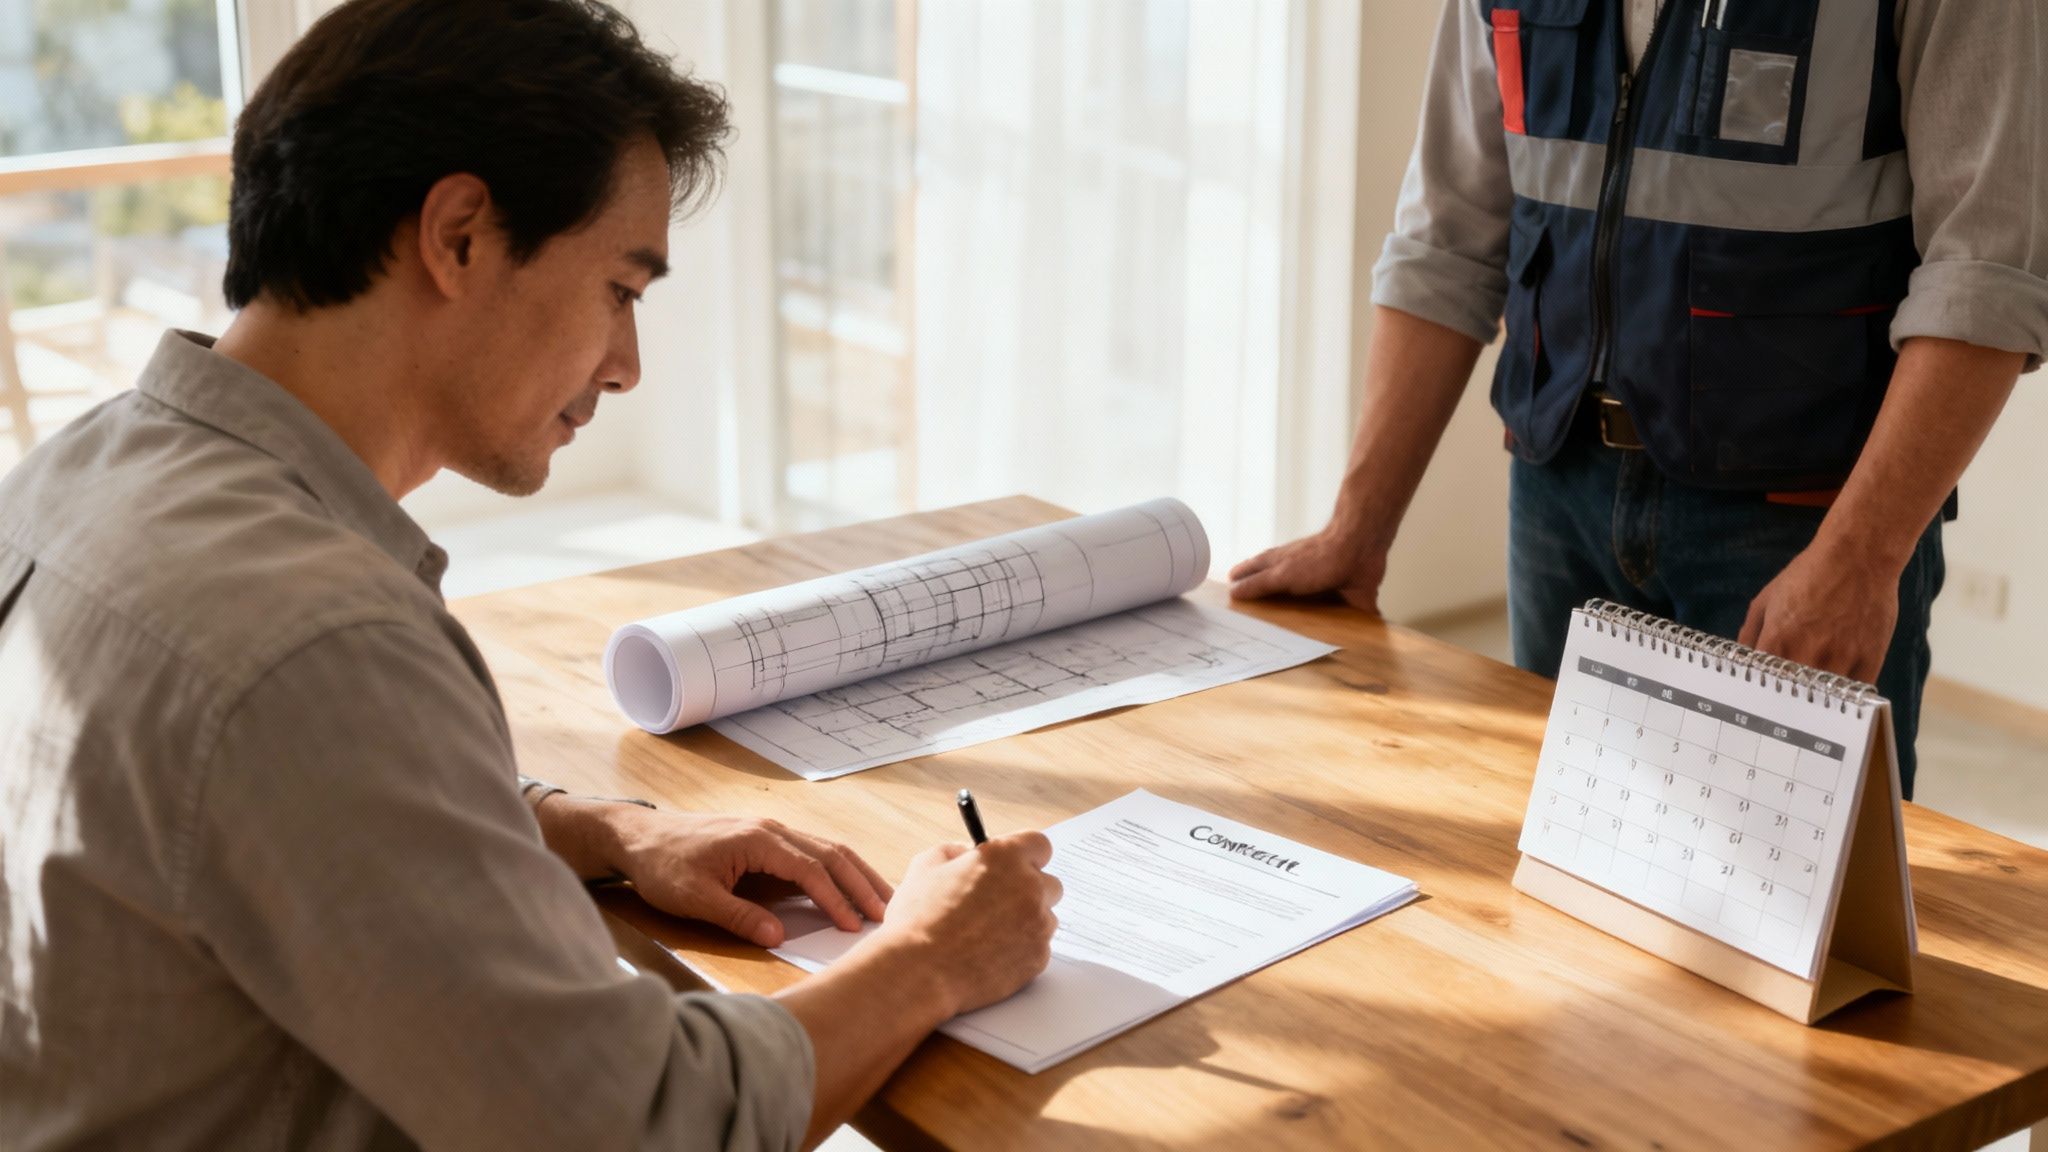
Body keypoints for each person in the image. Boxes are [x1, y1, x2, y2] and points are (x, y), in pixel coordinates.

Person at [0, 1, 1059, 1149]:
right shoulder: (314, 640)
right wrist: (930, 957)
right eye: (621, 288)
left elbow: (241, 811)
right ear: (459, 234)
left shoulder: (76, 474)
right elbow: (644, 1124)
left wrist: (589, 829)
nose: (627, 366)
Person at [1230, 0, 2044, 799]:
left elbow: (1986, 276)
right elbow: (1449, 234)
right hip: (1558, 501)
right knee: (1565, 883)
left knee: (1794, 912)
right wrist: (1357, 526)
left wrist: (1860, 562)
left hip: (1800, 530)